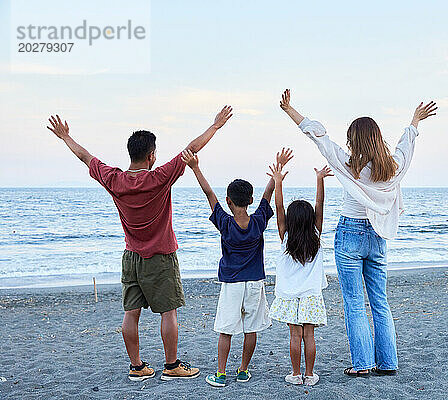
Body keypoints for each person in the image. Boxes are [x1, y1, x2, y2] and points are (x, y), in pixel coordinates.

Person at [46, 106, 233, 381]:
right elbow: (191, 148)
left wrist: (64, 137)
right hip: (160, 255)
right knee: (168, 312)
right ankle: (171, 366)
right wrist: (215, 126)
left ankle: (137, 367)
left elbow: (85, 157)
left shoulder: (114, 179)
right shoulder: (158, 178)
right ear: (151, 155)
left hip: (131, 256)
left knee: (130, 313)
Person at [279, 89, 437, 377]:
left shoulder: (348, 165)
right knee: (380, 300)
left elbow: (319, 137)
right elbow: (406, 146)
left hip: (349, 234)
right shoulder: (393, 168)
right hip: (377, 235)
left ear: (354, 140)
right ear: (377, 138)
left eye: (350, 139)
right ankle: (388, 364)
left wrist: (291, 111)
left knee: (354, 302)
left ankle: (363, 364)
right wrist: (415, 121)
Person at [180, 148, 293, 387]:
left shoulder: (225, 223)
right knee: (251, 329)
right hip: (254, 282)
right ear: (250, 201)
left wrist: (195, 167)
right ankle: (243, 370)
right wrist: (277, 170)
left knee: (226, 330)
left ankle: (221, 374)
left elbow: (209, 193)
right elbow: (268, 195)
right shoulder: (259, 221)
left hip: (231, 283)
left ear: (228, 201)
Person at [267, 154, 332, 386]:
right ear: (311, 220)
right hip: (311, 295)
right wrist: (320, 179)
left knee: (295, 336)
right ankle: (310, 375)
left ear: (290, 221)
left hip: (289, 294)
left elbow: (279, 206)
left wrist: (278, 181)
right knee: (309, 336)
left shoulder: (285, 237)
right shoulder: (316, 235)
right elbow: (320, 205)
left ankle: (295, 374)